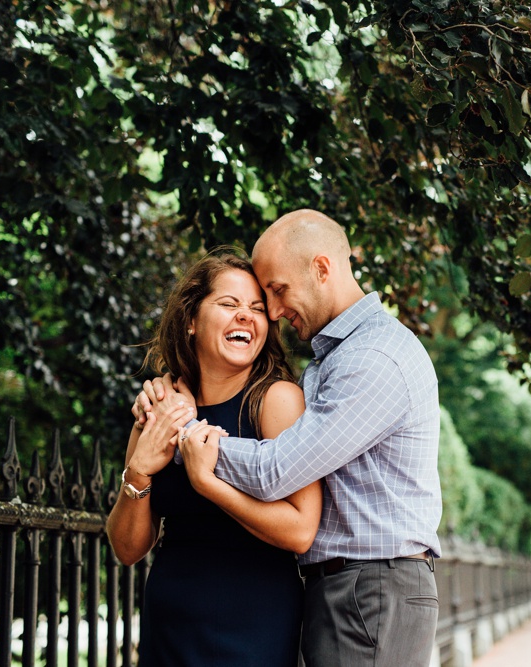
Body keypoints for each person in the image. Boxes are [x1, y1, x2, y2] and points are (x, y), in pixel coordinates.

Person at [138, 209, 443, 667]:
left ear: (322, 269)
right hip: (350, 589)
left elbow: (275, 469)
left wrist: (179, 429)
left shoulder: (375, 357)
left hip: (373, 587)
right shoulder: (334, 359)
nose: (275, 311)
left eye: (276, 292)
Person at [106, 250, 322, 667]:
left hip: (256, 622)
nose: (245, 316)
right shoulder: (162, 406)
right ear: (191, 320)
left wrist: (207, 482)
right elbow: (128, 548)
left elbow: (300, 531)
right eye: (229, 304)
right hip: (170, 621)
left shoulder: (277, 401)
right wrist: (139, 469)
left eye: (257, 309)